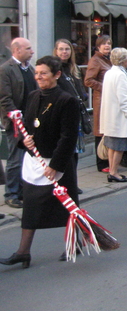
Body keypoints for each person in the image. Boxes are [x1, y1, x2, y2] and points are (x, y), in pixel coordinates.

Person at [0, 56, 79, 268]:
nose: (38, 77)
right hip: (35, 162)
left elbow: (68, 137)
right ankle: (23, 252)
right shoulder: (33, 96)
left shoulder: (66, 100)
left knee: (67, 206)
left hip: (57, 163)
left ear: (57, 75)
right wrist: (24, 140)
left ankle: (74, 243)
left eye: (43, 73)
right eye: (36, 73)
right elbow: (28, 125)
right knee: (31, 207)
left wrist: (56, 165)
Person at [0, 37, 36, 208]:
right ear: (17, 50)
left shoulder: (30, 69)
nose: (32, 51)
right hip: (16, 123)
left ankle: (23, 190)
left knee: (28, 158)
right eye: (28, 48)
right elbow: (4, 98)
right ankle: (11, 193)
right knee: (15, 158)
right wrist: (14, 115)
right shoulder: (6, 69)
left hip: (30, 120)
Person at [54, 39, 88, 194]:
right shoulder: (54, 69)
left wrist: (83, 95)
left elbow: (80, 90)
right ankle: (64, 184)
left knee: (74, 154)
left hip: (76, 114)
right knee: (65, 152)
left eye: (67, 49)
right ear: (56, 51)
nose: (64, 52)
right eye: (61, 49)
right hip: (62, 116)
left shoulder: (73, 69)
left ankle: (72, 183)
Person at [99, 48, 127, 183]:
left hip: (111, 116)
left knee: (112, 146)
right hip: (120, 117)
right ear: (123, 60)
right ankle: (114, 172)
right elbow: (123, 97)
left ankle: (112, 170)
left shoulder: (110, 72)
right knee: (118, 147)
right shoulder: (120, 75)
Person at [84, 35, 112, 173]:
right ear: (98, 46)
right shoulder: (95, 60)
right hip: (101, 100)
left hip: (110, 100)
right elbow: (88, 80)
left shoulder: (108, 59)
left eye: (109, 43)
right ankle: (101, 163)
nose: (107, 46)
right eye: (104, 44)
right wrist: (105, 87)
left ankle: (108, 159)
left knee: (107, 130)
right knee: (100, 131)